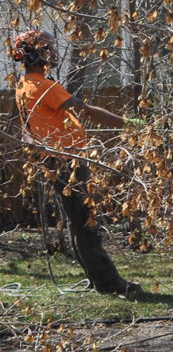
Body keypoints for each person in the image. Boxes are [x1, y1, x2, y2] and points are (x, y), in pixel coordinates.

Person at [13, 30, 142, 298]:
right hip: (66, 163)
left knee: (79, 220)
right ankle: (108, 282)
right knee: (85, 222)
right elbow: (86, 109)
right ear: (34, 53)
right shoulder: (43, 87)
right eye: (47, 49)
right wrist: (126, 124)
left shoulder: (23, 85)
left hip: (55, 160)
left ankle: (97, 278)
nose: (52, 53)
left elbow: (27, 128)